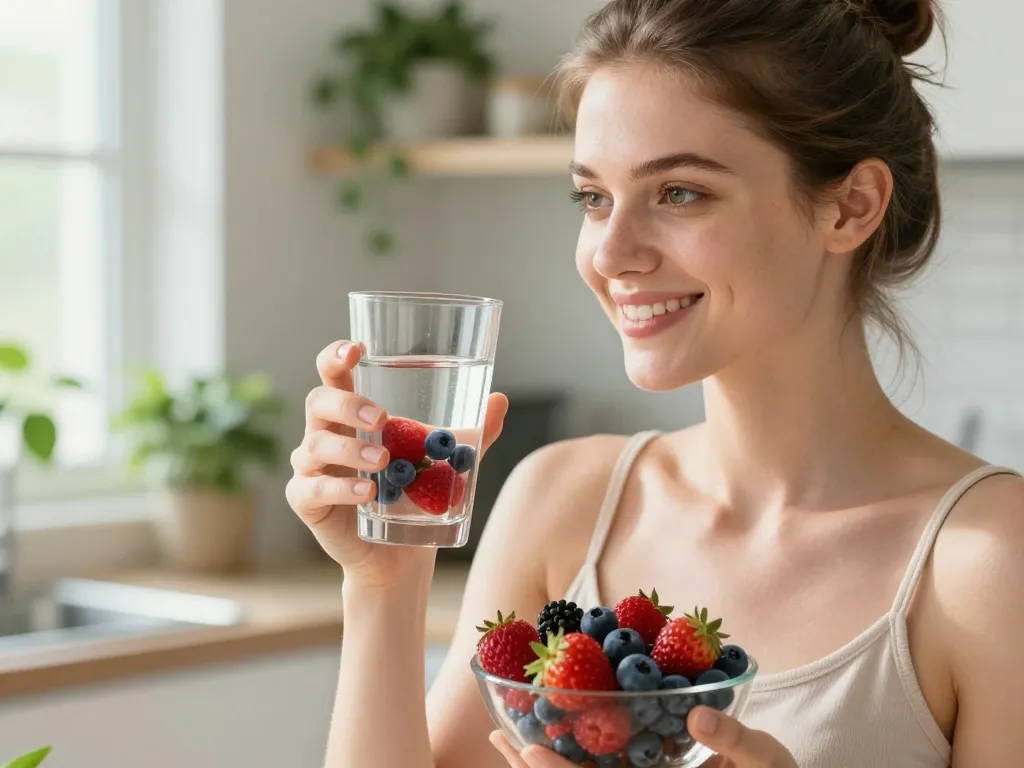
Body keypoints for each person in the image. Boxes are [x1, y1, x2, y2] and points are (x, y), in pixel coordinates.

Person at [286, 0, 1024, 765]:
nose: (610, 254)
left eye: (679, 192)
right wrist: (383, 584)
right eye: (594, 198)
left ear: (850, 206)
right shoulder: (562, 500)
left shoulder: (990, 558)